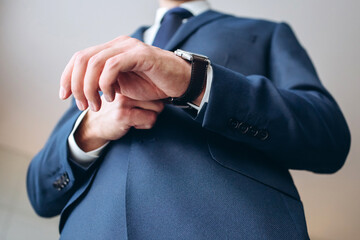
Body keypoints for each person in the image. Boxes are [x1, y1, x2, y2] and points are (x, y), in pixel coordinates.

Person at [26, 0, 351, 239]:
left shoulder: (267, 33)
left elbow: (329, 136)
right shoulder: (104, 59)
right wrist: (89, 129)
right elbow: (41, 193)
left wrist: (193, 80)